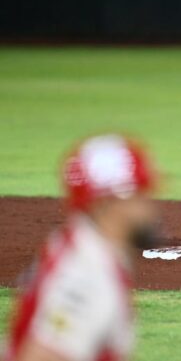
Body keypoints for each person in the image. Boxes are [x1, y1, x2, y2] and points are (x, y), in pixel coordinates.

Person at [4, 134, 160, 361]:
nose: (151, 205)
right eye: (139, 195)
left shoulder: (83, 246)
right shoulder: (86, 274)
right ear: (108, 203)